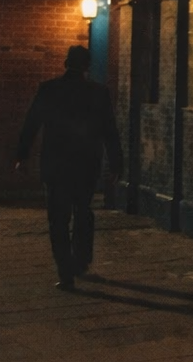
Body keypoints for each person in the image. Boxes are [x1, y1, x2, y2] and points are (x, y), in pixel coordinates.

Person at [14, 45, 123, 290]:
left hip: (56, 164)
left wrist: (22, 155)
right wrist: (116, 162)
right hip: (86, 163)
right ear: (87, 66)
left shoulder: (49, 89)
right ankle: (81, 261)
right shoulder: (99, 92)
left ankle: (65, 273)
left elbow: (32, 123)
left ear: (66, 63)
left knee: (58, 219)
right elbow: (109, 130)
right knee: (84, 211)